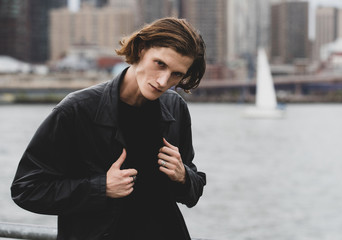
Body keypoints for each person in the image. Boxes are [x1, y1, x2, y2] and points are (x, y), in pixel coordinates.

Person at [11, 17, 206, 240]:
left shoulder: (175, 107)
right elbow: (26, 189)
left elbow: (194, 191)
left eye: (176, 74)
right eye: (160, 64)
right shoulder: (76, 110)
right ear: (141, 49)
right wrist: (100, 187)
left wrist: (183, 177)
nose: (163, 81)